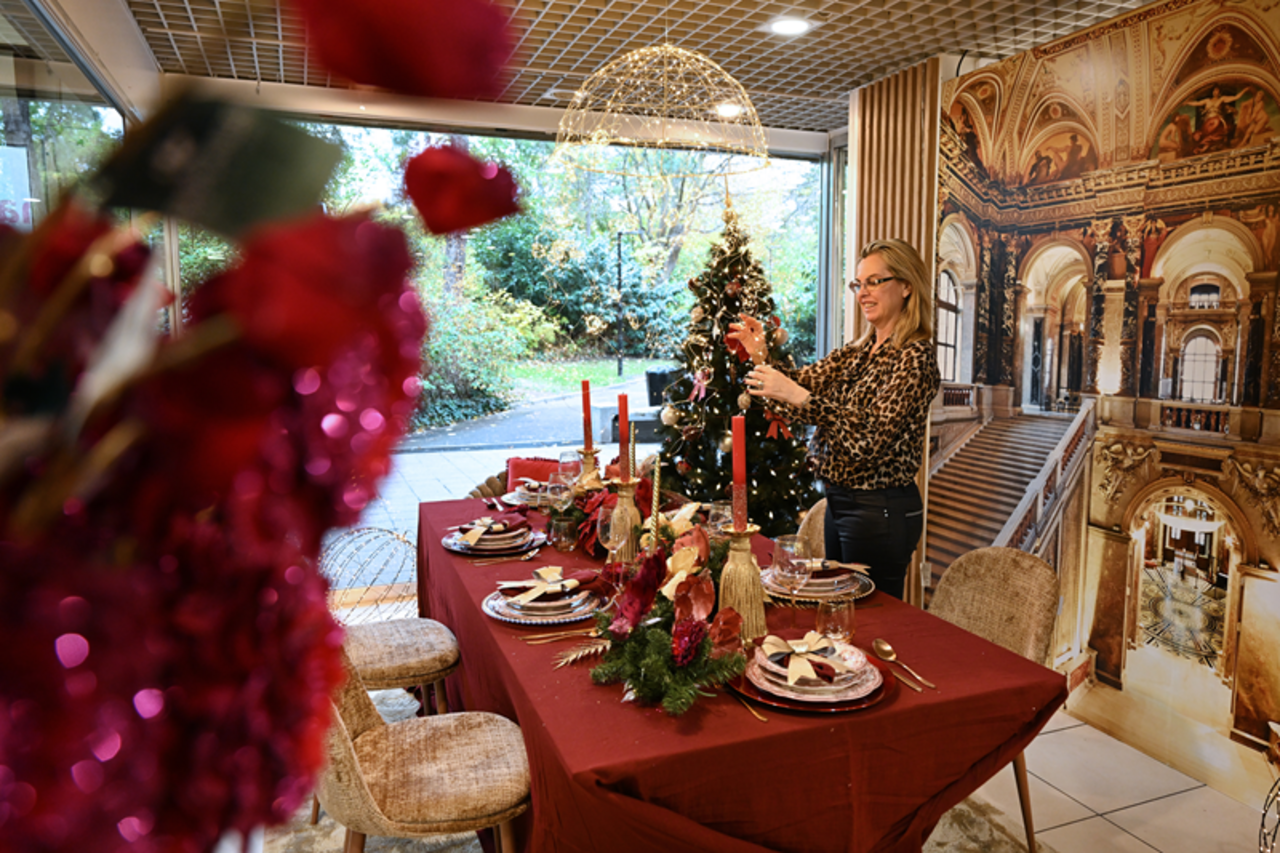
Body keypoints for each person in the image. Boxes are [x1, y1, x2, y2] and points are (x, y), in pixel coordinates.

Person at [727, 238, 941, 599]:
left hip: (881, 508)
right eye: (859, 283)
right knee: (837, 607)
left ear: (906, 286)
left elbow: (869, 439)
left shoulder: (915, 357)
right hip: (839, 502)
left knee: (871, 618)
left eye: (875, 281)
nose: (863, 293)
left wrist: (799, 396)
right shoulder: (857, 352)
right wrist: (762, 356)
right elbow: (800, 386)